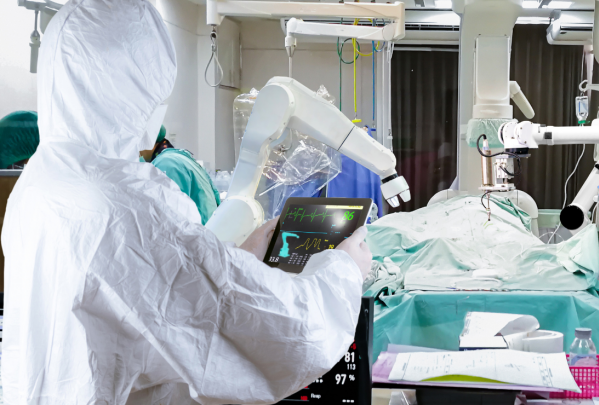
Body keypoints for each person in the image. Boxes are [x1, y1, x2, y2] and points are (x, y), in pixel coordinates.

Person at [1, 1, 372, 404]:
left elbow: (157, 301)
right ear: (128, 83)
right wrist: (343, 272)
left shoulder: (39, 184)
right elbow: (278, 333)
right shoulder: (124, 210)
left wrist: (233, 260)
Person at [140, 126, 220, 224]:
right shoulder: (176, 157)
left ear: (146, 142)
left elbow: (168, 217)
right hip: (208, 230)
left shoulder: (165, 164)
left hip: (196, 234)